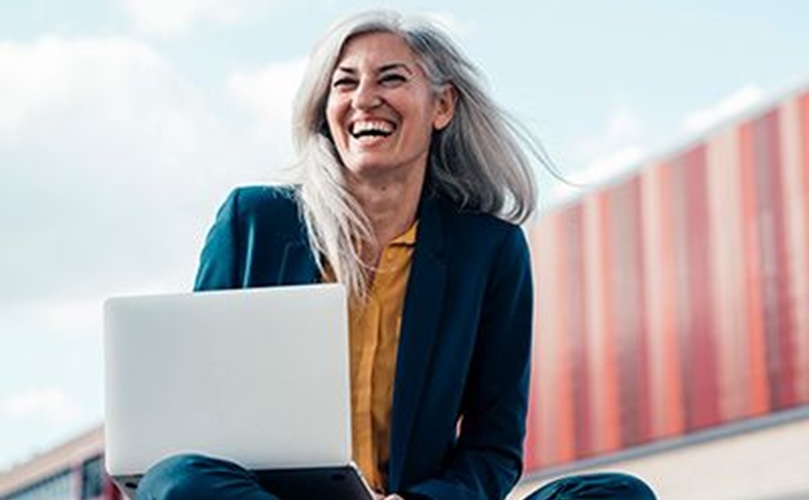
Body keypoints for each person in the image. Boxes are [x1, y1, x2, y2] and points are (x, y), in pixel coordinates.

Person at [136, 9, 655, 500]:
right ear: (325, 109)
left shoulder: (489, 249)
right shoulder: (254, 221)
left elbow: (492, 449)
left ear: (443, 106)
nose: (365, 99)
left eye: (390, 79)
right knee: (177, 480)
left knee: (616, 494)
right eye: (345, 82)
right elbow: (194, 422)